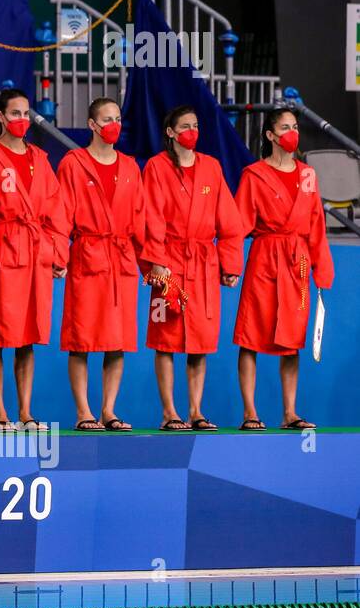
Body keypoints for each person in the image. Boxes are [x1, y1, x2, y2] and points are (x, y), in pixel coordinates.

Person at [0, 88, 68, 432]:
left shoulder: (39, 157)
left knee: (27, 336)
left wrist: (57, 254)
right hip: (3, 250)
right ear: (0, 117)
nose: (22, 120)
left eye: (26, 114)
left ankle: (26, 413)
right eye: (15, 114)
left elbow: (56, 210)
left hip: (36, 253)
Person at [141, 105, 245, 431]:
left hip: (203, 265)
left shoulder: (211, 168)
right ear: (170, 132)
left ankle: (196, 411)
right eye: (185, 125)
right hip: (168, 264)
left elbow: (228, 221)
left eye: (196, 125)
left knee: (200, 340)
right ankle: (170, 412)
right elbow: (151, 217)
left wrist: (230, 264)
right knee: (165, 339)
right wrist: (157, 264)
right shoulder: (156, 168)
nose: (192, 131)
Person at [232, 108, 333, 430]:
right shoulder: (254, 175)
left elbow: (316, 224)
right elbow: (238, 224)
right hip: (264, 257)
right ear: (270, 135)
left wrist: (322, 269)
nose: (293, 133)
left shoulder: (308, 176)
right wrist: (230, 264)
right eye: (285, 127)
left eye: (295, 126)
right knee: (251, 336)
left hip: (298, 261)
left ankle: (290, 412)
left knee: (292, 339)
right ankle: (250, 412)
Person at [56, 98, 147, 432]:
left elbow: (140, 218)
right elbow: (61, 212)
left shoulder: (130, 167)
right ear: (92, 125)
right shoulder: (73, 163)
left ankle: (109, 410)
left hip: (120, 259)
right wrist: (57, 255)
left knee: (117, 339)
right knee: (82, 338)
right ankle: (84, 411)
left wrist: (151, 263)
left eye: (118, 119)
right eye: (107, 119)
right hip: (87, 255)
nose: (114, 125)